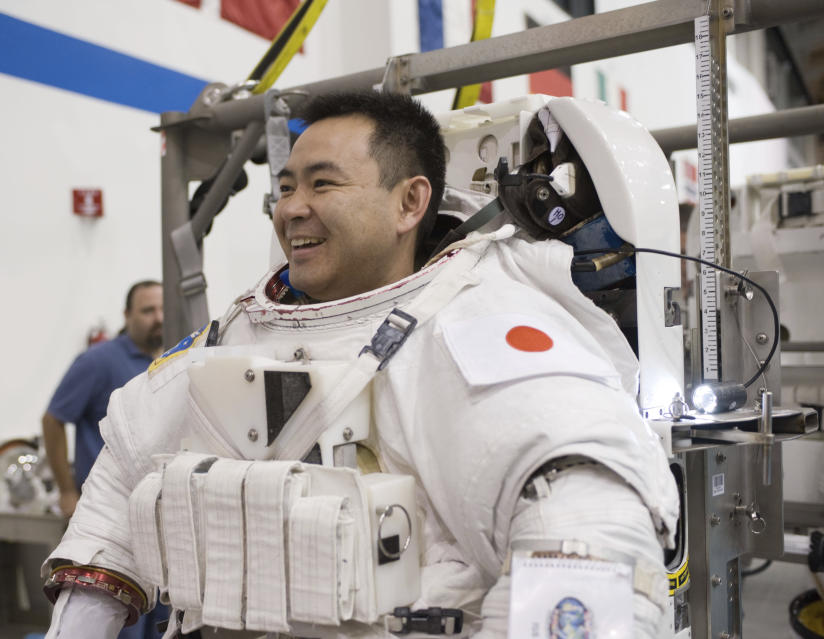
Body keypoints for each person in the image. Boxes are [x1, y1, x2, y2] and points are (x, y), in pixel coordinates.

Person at [41, 91, 679, 638]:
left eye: (323, 183)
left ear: (409, 203)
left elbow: (590, 533)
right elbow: (115, 501)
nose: (292, 207)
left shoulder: (478, 325)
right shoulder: (239, 332)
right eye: (286, 186)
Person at [41, 279, 168, 639]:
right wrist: (67, 490)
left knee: (162, 624)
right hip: (112, 524)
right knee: (116, 623)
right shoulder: (97, 362)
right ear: (127, 316)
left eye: (162, 309)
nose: (157, 318)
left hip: (161, 524)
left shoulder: (174, 360)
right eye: (147, 311)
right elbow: (53, 419)